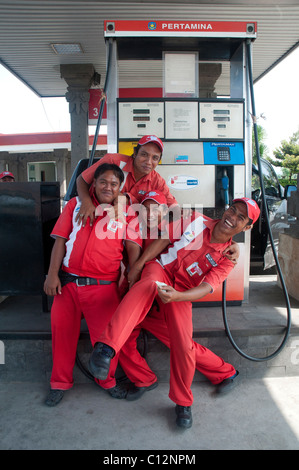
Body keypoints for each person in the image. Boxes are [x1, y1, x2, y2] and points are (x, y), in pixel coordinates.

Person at [88, 197, 260, 428]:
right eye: (232, 210)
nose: (232, 217)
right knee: (147, 286)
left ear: (247, 227)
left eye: (241, 217)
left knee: (182, 344)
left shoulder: (228, 257)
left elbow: (206, 288)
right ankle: (106, 348)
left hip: (182, 293)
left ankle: (183, 402)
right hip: (160, 272)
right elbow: (163, 240)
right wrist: (138, 265)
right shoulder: (195, 219)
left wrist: (177, 297)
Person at [44, 163, 143, 407]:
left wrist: (133, 276)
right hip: (67, 284)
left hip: (102, 288)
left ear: (120, 188)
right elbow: (60, 242)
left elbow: (133, 248)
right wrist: (51, 275)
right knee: (62, 336)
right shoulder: (74, 205)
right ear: (93, 184)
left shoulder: (127, 213)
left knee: (106, 341)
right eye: (103, 182)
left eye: (114, 184)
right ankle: (59, 383)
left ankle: (107, 381)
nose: (108, 187)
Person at [75, 134, 178, 228]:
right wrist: (86, 202)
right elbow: (81, 179)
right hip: (94, 216)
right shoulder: (113, 161)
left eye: (155, 158)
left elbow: (174, 209)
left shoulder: (157, 181)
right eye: (144, 154)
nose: (148, 162)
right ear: (135, 153)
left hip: (125, 227)